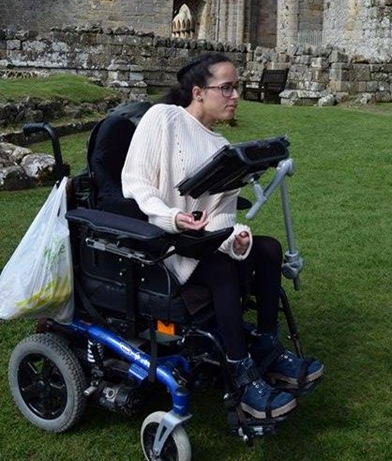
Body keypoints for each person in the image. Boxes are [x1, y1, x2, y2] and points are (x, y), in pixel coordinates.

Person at [121, 52, 323, 420]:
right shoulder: (162, 119)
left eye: (237, 87)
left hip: (199, 241)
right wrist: (173, 217)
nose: (235, 96)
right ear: (198, 92)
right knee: (221, 270)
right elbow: (134, 183)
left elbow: (222, 217)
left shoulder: (221, 149)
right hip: (160, 243)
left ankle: (266, 346)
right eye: (226, 88)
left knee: (267, 249)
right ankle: (241, 373)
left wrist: (235, 240)